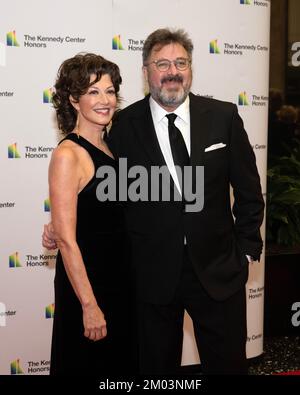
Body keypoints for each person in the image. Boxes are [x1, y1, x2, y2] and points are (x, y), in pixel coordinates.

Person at [44, 28, 265, 375]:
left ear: (191, 69)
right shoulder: (122, 128)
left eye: (181, 62)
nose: (172, 71)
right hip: (149, 279)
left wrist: (247, 249)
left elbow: (250, 192)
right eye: (162, 63)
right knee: (155, 374)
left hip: (219, 271)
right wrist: (59, 225)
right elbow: (100, 191)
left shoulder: (223, 117)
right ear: (146, 73)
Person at [47, 53, 135, 375]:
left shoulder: (115, 146)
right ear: (73, 99)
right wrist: (89, 305)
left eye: (110, 91)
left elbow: (104, 212)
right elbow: (68, 241)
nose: (105, 100)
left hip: (122, 281)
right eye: (93, 92)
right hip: (90, 286)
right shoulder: (69, 154)